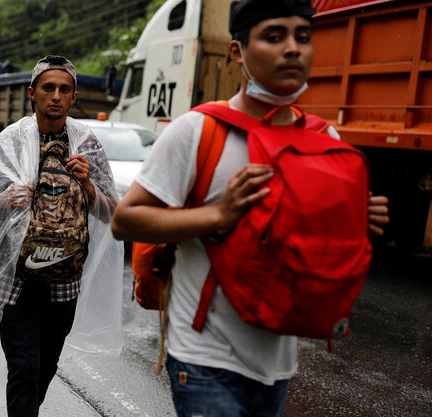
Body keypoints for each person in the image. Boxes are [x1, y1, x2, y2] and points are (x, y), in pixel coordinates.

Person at [110, 1, 390, 416]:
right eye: (274, 37)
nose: (293, 49)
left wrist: (353, 222)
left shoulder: (323, 138)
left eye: (303, 37)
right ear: (237, 51)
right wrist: (220, 215)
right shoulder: (199, 130)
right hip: (204, 357)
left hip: (278, 361)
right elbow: (124, 221)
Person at [0, 55, 124, 416]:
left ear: (74, 97)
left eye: (64, 89)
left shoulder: (87, 144)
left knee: (44, 368)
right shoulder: (10, 142)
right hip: (16, 280)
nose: (56, 96)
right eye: (48, 88)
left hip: (65, 282)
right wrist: (6, 198)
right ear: (33, 93)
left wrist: (88, 186)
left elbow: (114, 214)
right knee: (25, 368)